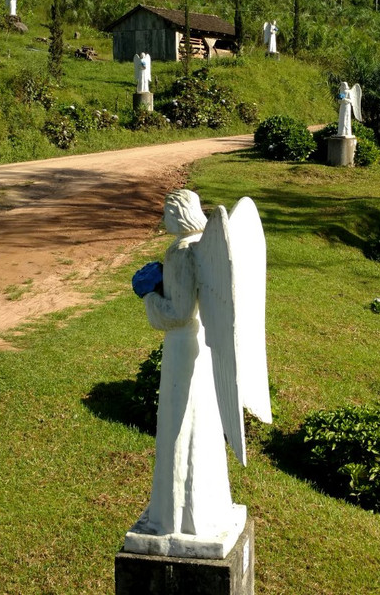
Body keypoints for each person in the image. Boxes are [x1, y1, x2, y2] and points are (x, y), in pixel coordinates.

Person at [130, 189, 235, 538]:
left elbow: (176, 313)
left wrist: (149, 295)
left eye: (166, 213)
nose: (163, 221)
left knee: (178, 423)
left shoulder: (181, 251)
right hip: (201, 346)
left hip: (180, 346)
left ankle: (174, 517)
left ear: (179, 213)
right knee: (199, 422)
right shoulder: (206, 244)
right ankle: (205, 509)